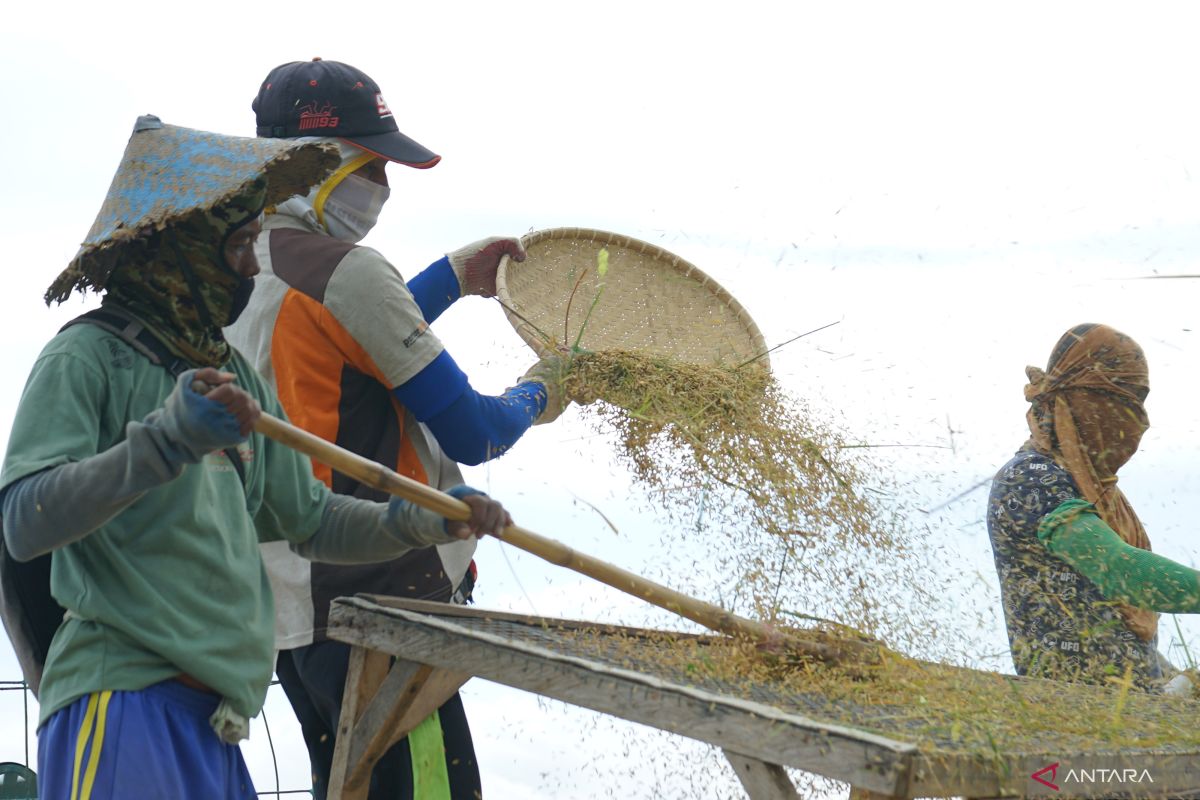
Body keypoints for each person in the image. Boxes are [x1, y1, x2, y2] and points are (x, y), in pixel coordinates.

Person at [0, 116, 511, 800]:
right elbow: (24, 522)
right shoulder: (87, 357)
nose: (250, 265)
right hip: (120, 700)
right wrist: (165, 442)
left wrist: (422, 522)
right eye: (238, 245)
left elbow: (310, 521)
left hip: (216, 717)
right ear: (178, 248)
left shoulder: (230, 372)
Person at [226, 58, 585, 800]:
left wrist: (452, 277)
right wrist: (545, 388)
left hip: (287, 614)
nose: (382, 188)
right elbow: (475, 435)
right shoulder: (349, 272)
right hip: (382, 613)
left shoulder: (233, 261)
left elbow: (347, 349)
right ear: (311, 164)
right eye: (370, 166)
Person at [986, 323, 1173, 690]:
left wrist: (1171, 677)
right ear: (1082, 396)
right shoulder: (1032, 480)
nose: (1138, 418)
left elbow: (1113, 626)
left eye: (1140, 400)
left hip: (1124, 715)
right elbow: (1123, 572)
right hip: (1067, 710)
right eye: (1122, 398)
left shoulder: (1100, 494)